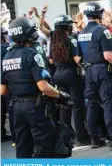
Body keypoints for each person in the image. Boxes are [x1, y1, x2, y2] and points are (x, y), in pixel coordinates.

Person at [1, 17, 71, 158]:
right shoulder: (32, 55)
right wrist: (61, 95)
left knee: (22, 146)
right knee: (44, 144)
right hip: (35, 106)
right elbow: (43, 87)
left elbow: (2, 90)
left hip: (16, 108)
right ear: (29, 35)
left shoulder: (6, 57)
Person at [76, 1, 112, 150]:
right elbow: (108, 56)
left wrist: (89, 67)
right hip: (102, 70)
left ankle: (95, 138)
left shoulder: (81, 33)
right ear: (100, 14)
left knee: (92, 105)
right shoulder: (102, 31)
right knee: (109, 104)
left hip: (89, 71)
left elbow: (77, 59)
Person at [49, 14, 90, 146]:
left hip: (58, 74)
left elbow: (50, 60)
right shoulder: (71, 40)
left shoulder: (53, 42)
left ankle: (66, 138)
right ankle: (82, 138)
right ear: (68, 26)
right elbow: (77, 59)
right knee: (77, 107)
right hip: (71, 74)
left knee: (64, 107)